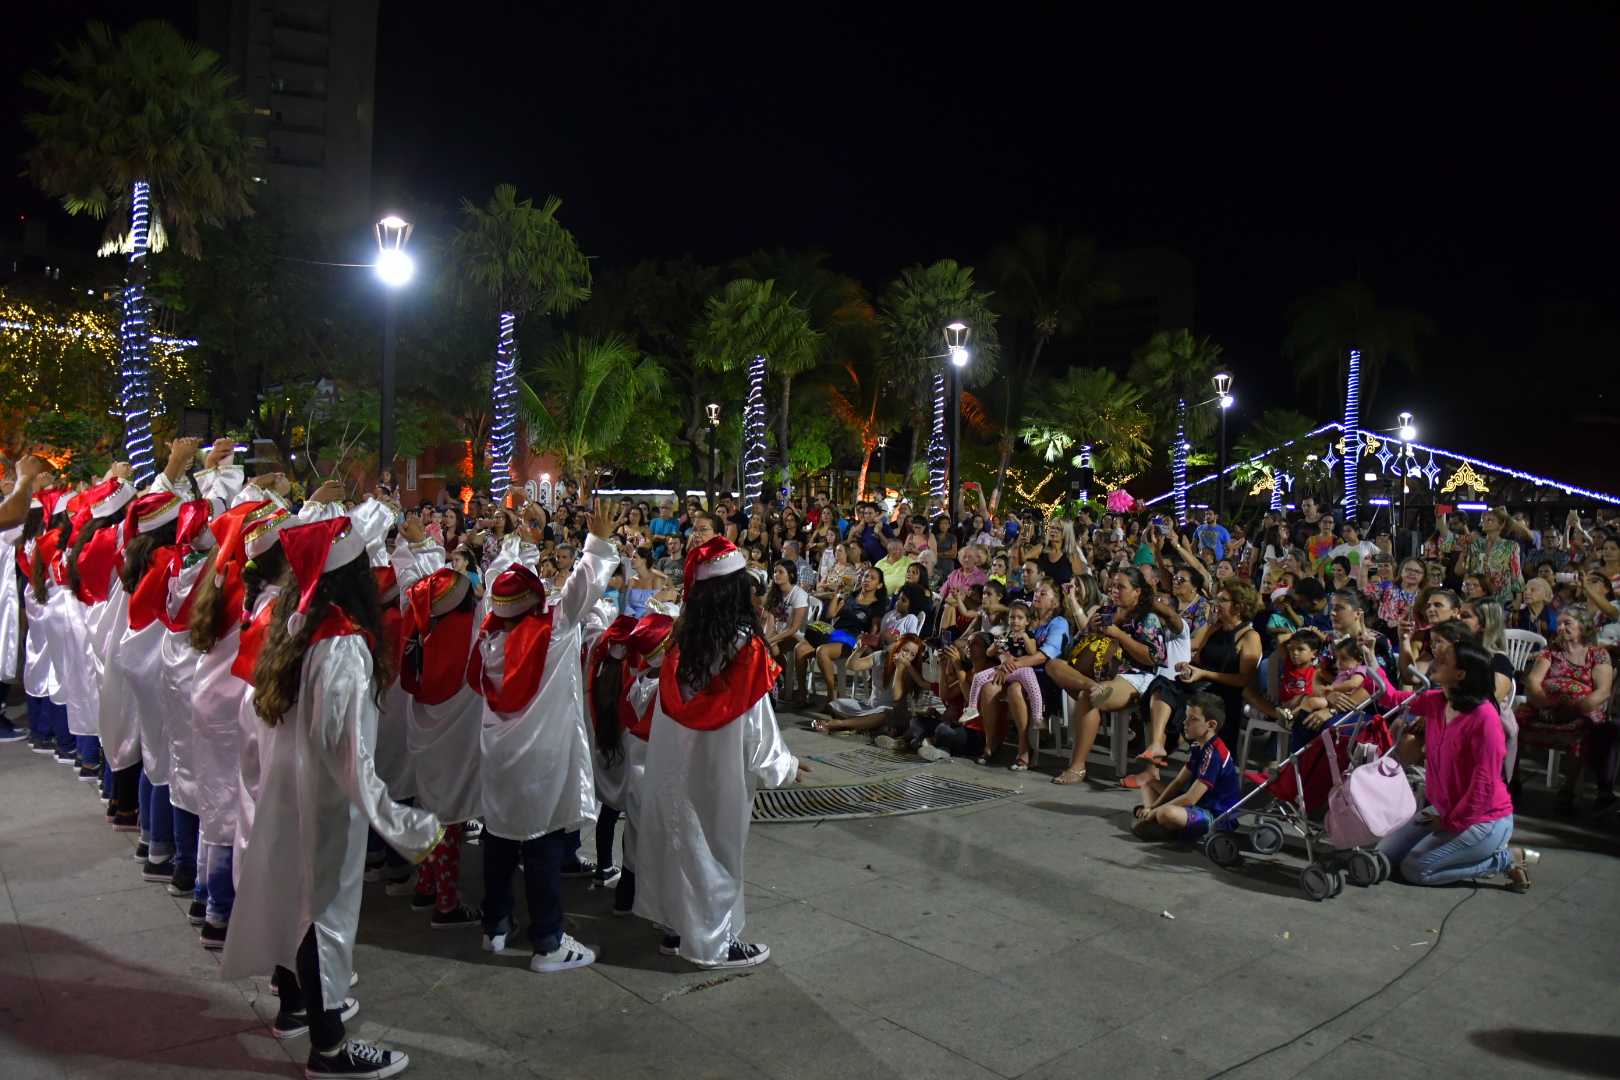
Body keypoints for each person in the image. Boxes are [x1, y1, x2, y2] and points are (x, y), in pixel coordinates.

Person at [220, 516, 442, 1078]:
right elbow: (348, 754)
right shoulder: (341, 644)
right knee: (323, 914)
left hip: (292, 782)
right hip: (322, 793)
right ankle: (330, 1049)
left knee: (301, 903)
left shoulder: (298, 621)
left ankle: (300, 1010)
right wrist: (402, 823)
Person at [635, 535, 806, 968]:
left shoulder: (679, 641)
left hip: (674, 764)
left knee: (675, 841)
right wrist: (785, 767)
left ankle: (675, 930)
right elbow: (758, 728)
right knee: (714, 849)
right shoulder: (745, 648)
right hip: (718, 769)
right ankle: (714, 943)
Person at [472, 501, 620, 972]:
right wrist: (596, 539)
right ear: (538, 602)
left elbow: (499, 578)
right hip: (542, 761)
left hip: (498, 759)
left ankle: (495, 927)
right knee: (540, 847)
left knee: (497, 842)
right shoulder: (553, 631)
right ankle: (548, 942)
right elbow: (585, 584)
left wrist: (520, 541)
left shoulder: (486, 635)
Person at [1379, 642, 1533, 891]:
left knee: (1415, 869)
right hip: (1444, 809)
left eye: (1444, 657)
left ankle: (1506, 859)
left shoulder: (1484, 718)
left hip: (1484, 819)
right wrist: (1370, 663)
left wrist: (1451, 822)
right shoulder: (1438, 700)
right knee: (1383, 857)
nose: (1436, 658)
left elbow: (1483, 784)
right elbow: (1393, 698)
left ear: (1460, 674)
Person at [1045, 567, 1169, 785]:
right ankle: (1094, 686)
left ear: (1137, 591)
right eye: (1113, 586)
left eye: (1121, 587)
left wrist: (1119, 634)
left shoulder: (1147, 617)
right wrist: (1090, 629)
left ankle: (1077, 766)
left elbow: (1153, 658)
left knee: (1090, 698)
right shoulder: (1106, 611)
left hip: (1135, 676)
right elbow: (1081, 647)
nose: (1114, 591)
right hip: (1100, 675)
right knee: (1053, 665)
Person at [1514, 606, 1615, 815]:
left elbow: (1603, 691)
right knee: (1511, 724)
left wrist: (1573, 711)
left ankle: (1567, 790)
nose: (1561, 628)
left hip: (1580, 710)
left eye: (1567, 623)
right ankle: (1511, 780)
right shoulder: (1552, 651)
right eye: (1559, 623)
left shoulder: (1598, 654)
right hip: (1546, 707)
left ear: (1583, 627)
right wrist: (1545, 706)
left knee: (1582, 729)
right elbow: (1534, 680)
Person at [1130, 694, 1239, 842]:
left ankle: (1161, 824)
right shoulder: (1197, 745)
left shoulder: (1214, 755)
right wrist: (1154, 807)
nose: (1185, 722)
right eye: (1186, 717)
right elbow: (1179, 782)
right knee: (1149, 782)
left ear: (1211, 725)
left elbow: (1190, 798)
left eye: (1193, 719)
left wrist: (1156, 811)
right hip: (1199, 805)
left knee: (1166, 813)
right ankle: (1154, 822)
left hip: (1215, 817)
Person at [818, 634, 930, 734]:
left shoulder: (909, 670)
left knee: (883, 714)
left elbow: (897, 696)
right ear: (897, 646)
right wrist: (859, 650)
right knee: (835, 705)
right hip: (870, 707)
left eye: (912, 655)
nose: (907, 656)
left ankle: (837, 724)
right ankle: (868, 726)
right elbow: (852, 666)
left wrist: (899, 668)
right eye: (905, 650)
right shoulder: (880, 656)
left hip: (892, 713)